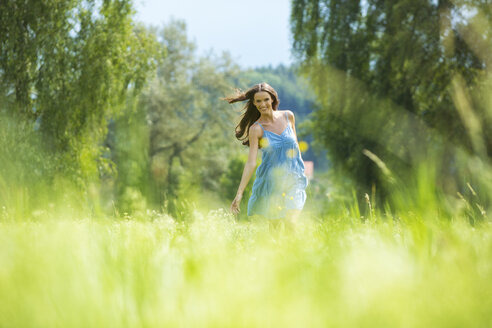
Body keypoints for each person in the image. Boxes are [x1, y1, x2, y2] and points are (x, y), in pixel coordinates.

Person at [223, 82, 308, 228]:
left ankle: (295, 249)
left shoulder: (289, 116)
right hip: (272, 182)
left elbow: (295, 147)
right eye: (258, 101)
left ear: (273, 99)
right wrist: (239, 193)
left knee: (290, 223)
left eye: (266, 99)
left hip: (293, 178)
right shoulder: (256, 129)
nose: (263, 104)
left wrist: (301, 170)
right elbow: (251, 162)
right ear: (254, 104)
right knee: (274, 231)